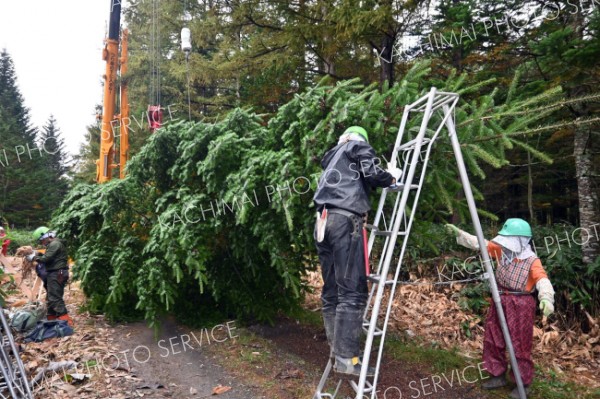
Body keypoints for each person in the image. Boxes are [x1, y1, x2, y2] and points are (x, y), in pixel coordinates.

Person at [313, 126, 401, 377]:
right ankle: (347, 359)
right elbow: (372, 173)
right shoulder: (357, 146)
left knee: (331, 291)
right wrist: (391, 178)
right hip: (344, 221)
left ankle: (336, 351)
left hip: (322, 221)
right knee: (352, 291)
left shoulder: (332, 158)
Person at [446, 218, 555, 398]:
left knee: (519, 343)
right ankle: (497, 374)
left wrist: (546, 298)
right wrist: (460, 234)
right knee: (493, 337)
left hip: (521, 305)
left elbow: (542, 279)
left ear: (521, 241)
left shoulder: (532, 260)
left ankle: (522, 382)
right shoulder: (501, 251)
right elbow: (481, 243)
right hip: (500, 299)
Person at [26, 227, 73, 327]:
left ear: (47, 236)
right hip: (55, 273)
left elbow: (46, 258)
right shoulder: (53, 244)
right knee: (50, 297)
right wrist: (38, 253)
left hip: (57, 273)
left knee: (55, 297)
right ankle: (51, 319)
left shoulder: (55, 244)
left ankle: (66, 322)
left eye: (42, 240)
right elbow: (49, 256)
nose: (42, 242)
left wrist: (34, 258)